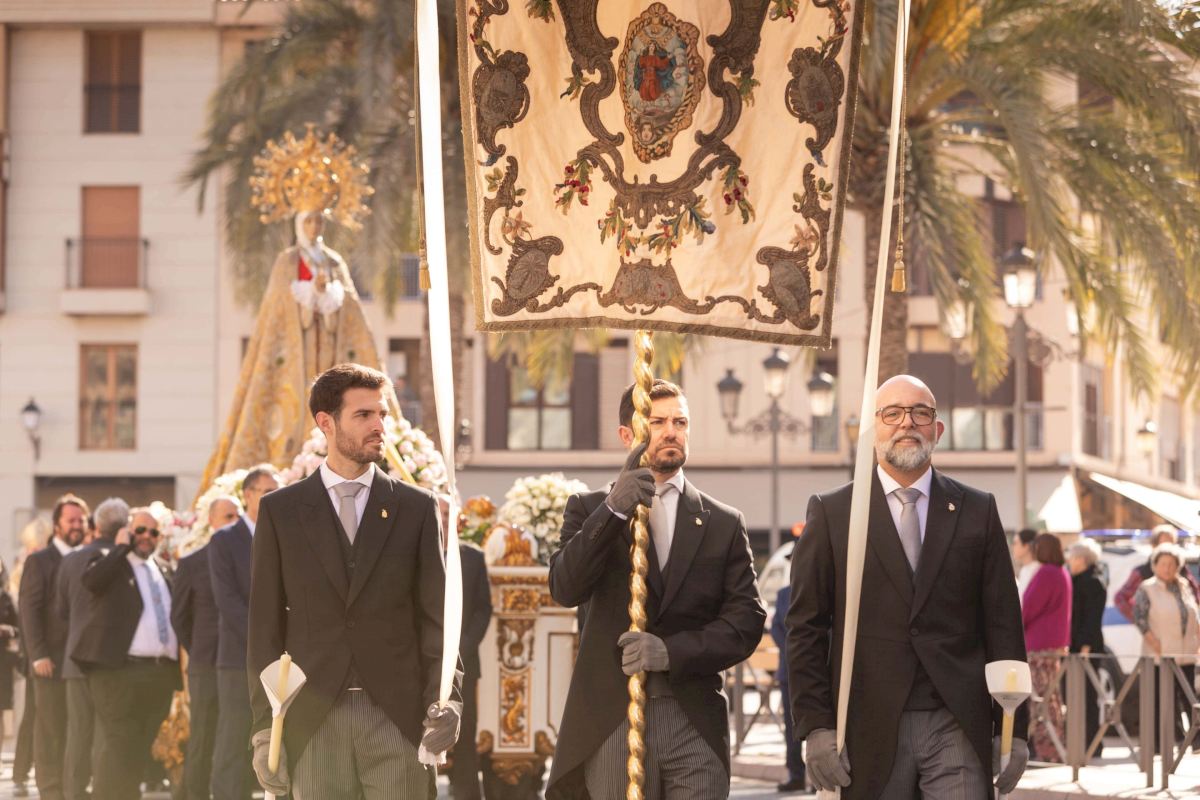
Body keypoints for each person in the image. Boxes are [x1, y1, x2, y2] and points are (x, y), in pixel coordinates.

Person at [787, 375, 1028, 800]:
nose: (907, 423)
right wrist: (816, 725)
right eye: (892, 413)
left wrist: (1014, 729)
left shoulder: (978, 509)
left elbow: (1004, 624)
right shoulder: (834, 512)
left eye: (920, 412)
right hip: (868, 727)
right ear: (873, 428)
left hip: (957, 722)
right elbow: (806, 628)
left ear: (938, 429)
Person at [247, 363, 460, 799]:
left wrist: (447, 698)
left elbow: (437, 620)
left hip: (398, 721)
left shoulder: (416, 508)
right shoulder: (280, 512)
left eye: (382, 414)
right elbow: (264, 628)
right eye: (363, 415)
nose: (379, 426)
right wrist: (265, 729)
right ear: (326, 423)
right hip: (311, 720)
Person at [546, 379, 766, 800]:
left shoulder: (723, 522)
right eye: (657, 422)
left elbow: (746, 622)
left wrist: (670, 651)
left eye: (680, 422)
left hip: (693, 720)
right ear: (626, 435)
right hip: (611, 720)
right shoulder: (589, 509)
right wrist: (614, 509)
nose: (671, 432)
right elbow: (564, 587)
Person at [200, 211, 390, 487]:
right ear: (298, 225)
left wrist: (324, 298)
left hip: (329, 349)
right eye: (308, 221)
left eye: (319, 221)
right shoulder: (287, 262)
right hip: (295, 356)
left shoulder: (334, 262)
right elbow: (280, 309)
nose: (314, 227)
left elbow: (348, 313)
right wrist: (308, 301)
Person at [74, 506, 181, 800]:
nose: (147, 536)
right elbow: (92, 582)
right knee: (119, 742)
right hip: (118, 671)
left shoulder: (162, 570)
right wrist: (120, 548)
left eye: (154, 532)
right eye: (140, 530)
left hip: (158, 673)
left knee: (139, 746)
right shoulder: (112, 563)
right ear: (126, 532)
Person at [208, 464, 280, 800]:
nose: (275, 498)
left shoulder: (286, 535)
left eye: (278, 492)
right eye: (268, 492)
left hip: (280, 657)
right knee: (234, 737)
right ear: (248, 495)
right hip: (239, 656)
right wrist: (262, 639)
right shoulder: (224, 540)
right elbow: (227, 600)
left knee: (276, 738)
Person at [57, 498, 130, 800]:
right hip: (111, 662)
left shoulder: (71, 559)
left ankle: (73, 793)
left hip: (75, 659)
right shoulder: (124, 559)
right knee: (106, 733)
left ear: (95, 526)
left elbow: (61, 610)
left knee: (77, 732)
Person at [19, 493, 88, 800]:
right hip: (50, 661)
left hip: (81, 662)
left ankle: (71, 788)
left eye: (81, 520)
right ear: (57, 525)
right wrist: (39, 655)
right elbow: (29, 610)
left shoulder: (88, 558)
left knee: (76, 728)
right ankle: (50, 790)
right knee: (50, 728)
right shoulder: (39, 561)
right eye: (71, 520)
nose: (77, 525)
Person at [437, 495, 493, 800]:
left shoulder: (473, 557)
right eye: (440, 513)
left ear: (459, 520)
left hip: (464, 661)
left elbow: (483, 609)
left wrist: (462, 647)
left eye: (449, 514)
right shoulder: (417, 552)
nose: (444, 519)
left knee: (465, 729)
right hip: (424, 659)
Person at [172, 499, 226, 800]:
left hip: (240, 664)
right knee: (203, 734)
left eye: (237, 515)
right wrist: (199, 649)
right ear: (212, 521)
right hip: (206, 663)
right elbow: (179, 617)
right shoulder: (192, 563)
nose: (233, 521)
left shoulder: (253, 558)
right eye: (227, 516)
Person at [1132, 542, 1200, 755]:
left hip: (1186, 654)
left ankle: (1195, 741)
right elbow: (1140, 619)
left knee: (1190, 699)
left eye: (1172, 564)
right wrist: (1155, 643)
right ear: (1155, 565)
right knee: (1160, 701)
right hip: (1159, 655)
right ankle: (1158, 746)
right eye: (1163, 564)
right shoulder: (1147, 588)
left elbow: (1194, 615)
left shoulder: (1184, 586)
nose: (1167, 568)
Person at [1022, 533, 1072, 763]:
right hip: (1054, 642)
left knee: (1040, 700)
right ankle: (1054, 749)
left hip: (1039, 644)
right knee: (1051, 698)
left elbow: (1029, 606)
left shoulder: (1046, 573)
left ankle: (1047, 750)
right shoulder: (1061, 572)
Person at [1067, 539, 1106, 758]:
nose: (1069, 561)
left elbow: (1092, 618)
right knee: (1075, 696)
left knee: (1088, 696)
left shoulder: (1093, 581)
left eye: (1072, 557)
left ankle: (1093, 743)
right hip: (1074, 647)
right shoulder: (1075, 580)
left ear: (1082, 559)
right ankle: (1078, 741)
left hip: (1086, 649)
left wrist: (1084, 646)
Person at [769, 563, 806, 793]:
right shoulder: (783, 594)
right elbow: (775, 629)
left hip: (820, 669)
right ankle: (796, 774)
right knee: (792, 726)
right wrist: (793, 652)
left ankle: (818, 777)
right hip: (789, 671)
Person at [1115, 525, 1200, 622]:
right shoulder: (1142, 572)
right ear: (1154, 546)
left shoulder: (1181, 571)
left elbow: (1196, 594)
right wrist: (1141, 621)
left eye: (1171, 544)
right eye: (1163, 545)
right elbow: (1121, 598)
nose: (1168, 549)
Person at [1012, 528, 1038, 601]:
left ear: (1026, 546)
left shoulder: (1037, 570)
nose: (1012, 547)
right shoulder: (1024, 570)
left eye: (1015, 543)